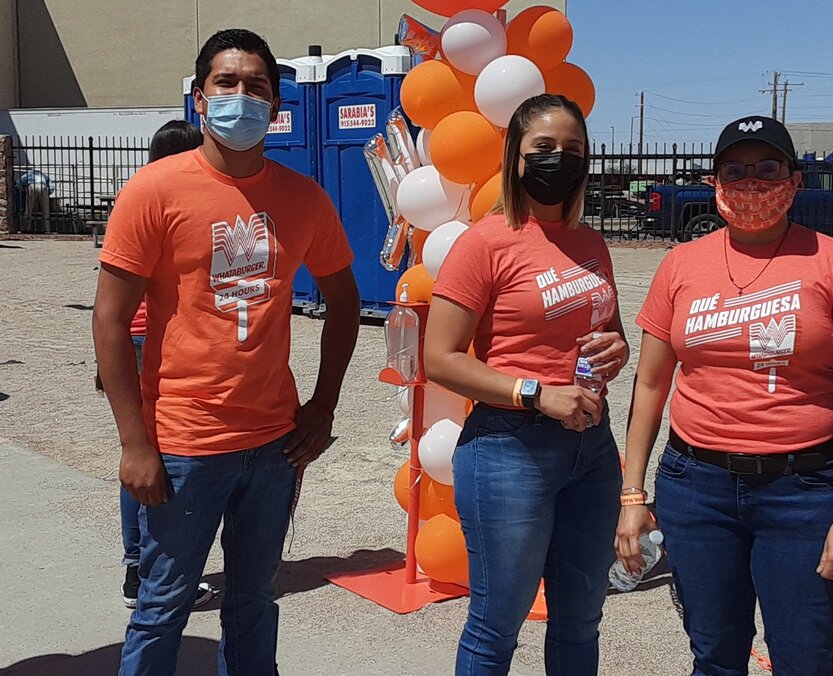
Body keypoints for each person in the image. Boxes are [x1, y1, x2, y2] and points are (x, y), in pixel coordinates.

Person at [92, 29, 360, 676]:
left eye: (258, 86)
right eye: (227, 83)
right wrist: (134, 443)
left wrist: (322, 406)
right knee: (162, 606)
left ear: (277, 105)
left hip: (273, 447)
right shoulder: (154, 191)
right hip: (184, 445)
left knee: (253, 603)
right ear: (201, 96)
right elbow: (109, 320)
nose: (242, 96)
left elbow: (345, 302)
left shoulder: (304, 199)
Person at [615, 116, 833, 675]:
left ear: (794, 180)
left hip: (807, 492)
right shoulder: (680, 265)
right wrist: (632, 497)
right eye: (735, 171)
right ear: (715, 182)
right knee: (714, 655)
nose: (751, 184)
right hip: (697, 490)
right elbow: (650, 384)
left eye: (767, 170)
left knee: (803, 657)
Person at [424, 94, 629, 676]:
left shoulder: (591, 243)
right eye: (544, 147)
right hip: (509, 448)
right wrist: (535, 392)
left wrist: (619, 348)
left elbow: (604, 332)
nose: (558, 159)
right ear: (517, 157)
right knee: (497, 627)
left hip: (592, 449)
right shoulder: (484, 243)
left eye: (573, 149)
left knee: (580, 621)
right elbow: (439, 359)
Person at [107, 120, 210, 610]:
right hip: (161, 341)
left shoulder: (138, 197)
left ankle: (137, 569)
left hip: (132, 338)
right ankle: (152, 571)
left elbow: (109, 296)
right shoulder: (172, 201)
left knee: (142, 457)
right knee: (154, 460)